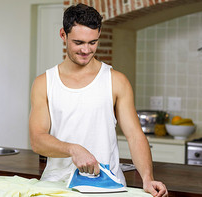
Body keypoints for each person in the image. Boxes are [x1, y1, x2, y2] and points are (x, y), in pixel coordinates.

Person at [29, 3, 168, 197]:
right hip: (57, 186)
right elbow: (37, 140)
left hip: (108, 188)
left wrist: (147, 177)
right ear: (63, 35)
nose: (86, 50)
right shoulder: (45, 83)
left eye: (92, 42)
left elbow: (135, 136)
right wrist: (72, 149)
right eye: (78, 42)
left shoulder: (116, 81)